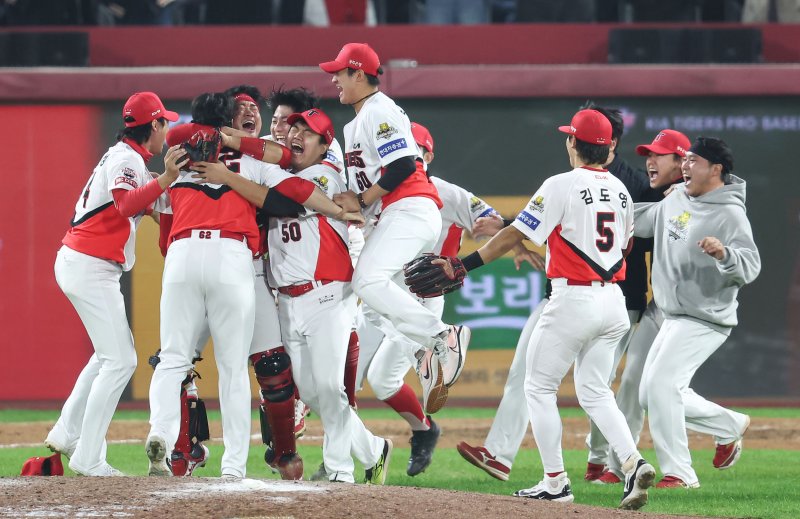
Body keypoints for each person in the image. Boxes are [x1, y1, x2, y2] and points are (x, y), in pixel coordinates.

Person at [417, 109, 655, 509]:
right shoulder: (620, 190)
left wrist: (463, 264)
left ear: (573, 144)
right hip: (614, 302)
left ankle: (556, 481)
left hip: (573, 298)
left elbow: (515, 232)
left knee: (538, 388)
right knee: (596, 392)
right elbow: (626, 247)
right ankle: (633, 463)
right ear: (607, 146)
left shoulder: (561, 183)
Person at [146, 92, 361, 481]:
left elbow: (159, 212)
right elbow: (295, 193)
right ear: (228, 122)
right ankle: (231, 467)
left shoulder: (176, 156)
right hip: (236, 259)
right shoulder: (252, 157)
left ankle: (162, 436)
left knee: (173, 359)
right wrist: (336, 208)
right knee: (232, 367)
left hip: (183, 256)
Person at [320, 42, 470, 415]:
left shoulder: (379, 110)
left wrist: (363, 198)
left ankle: (442, 336)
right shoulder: (358, 119)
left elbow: (403, 164)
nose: (334, 79)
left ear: (359, 74)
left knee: (366, 282)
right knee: (375, 306)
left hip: (409, 207)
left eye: (340, 72)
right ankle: (422, 351)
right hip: (393, 214)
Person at [350, 122, 506, 479]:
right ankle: (340, 461)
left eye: (415, 150)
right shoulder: (378, 189)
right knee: (345, 383)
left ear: (428, 156)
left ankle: (426, 413)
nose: (406, 156)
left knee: (385, 380)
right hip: (378, 298)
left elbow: (494, 220)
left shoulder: (444, 193)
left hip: (421, 299)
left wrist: (492, 226)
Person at [45, 92, 182, 476]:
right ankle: (89, 457)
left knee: (106, 357)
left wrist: (169, 190)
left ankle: (66, 431)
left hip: (85, 263)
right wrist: (168, 179)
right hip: (89, 265)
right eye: (164, 122)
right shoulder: (126, 158)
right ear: (153, 125)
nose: (167, 129)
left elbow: (149, 209)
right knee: (121, 361)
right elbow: (125, 204)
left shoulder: (128, 158)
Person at [268, 108, 392, 484]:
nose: (296, 136)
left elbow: (278, 201)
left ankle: (340, 470)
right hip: (289, 301)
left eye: (307, 132)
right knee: (308, 389)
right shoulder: (285, 175)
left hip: (327, 293)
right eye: (294, 130)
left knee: (327, 386)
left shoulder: (325, 174)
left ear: (325, 145)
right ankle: (372, 449)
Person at [634, 137, 759, 488]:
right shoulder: (677, 197)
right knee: (650, 395)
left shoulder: (729, 213)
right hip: (674, 315)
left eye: (694, 160)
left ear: (715, 169)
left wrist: (724, 255)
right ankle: (728, 425)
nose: (685, 166)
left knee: (661, 387)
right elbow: (645, 221)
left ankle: (680, 474)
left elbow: (750, 267)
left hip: (706, 318)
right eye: (685, 160)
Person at [593, 128, 691, 485]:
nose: (650, 160)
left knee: (658, 388)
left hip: (691, 312)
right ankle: (622, 466)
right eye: (648, 154)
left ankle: (700, 451)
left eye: (659, 155)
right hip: (660, 306)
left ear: (682, 162)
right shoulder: (669, 201)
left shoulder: (697, 199)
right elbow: (635, 219)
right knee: (634, 380)